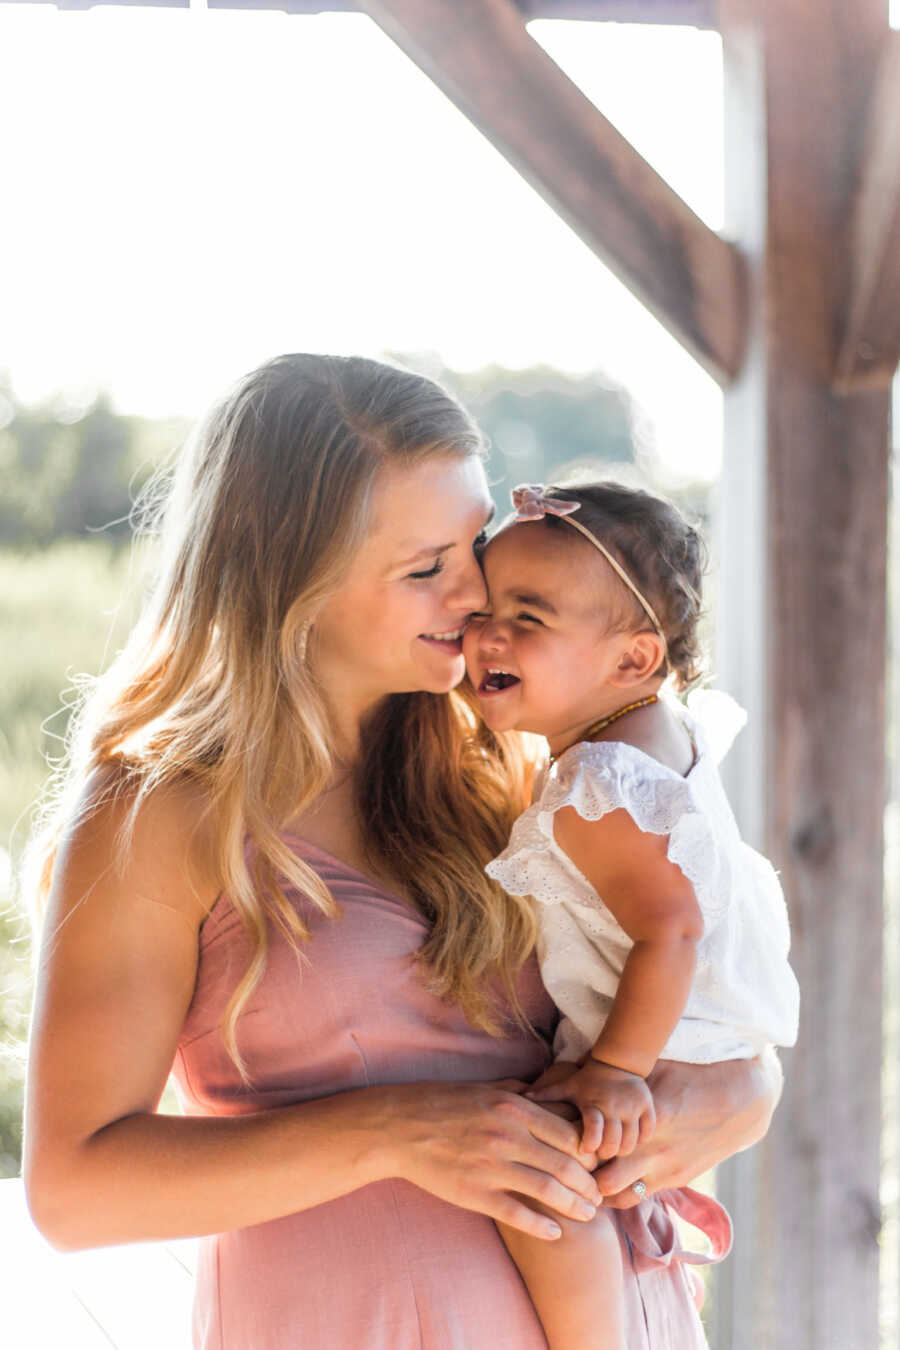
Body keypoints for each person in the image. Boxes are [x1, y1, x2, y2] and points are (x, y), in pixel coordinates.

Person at [23, 356, 782, 1350]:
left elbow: (712, 1001)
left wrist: (737, 1093)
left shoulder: (519, 771)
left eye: (475, 543)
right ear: (289, 586)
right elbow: (76, 1192)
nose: (475, 595)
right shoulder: (161, 810)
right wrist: (395, 1133)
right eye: (424, 568)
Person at [463, 480, 799, 1350]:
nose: (487, 635)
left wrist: (616, 1069)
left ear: (634, 659)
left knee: (543, 1181)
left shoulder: (599, 788)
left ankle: (593, 1338)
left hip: (665, 1031)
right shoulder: (652, 731)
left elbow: (670, 931)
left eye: (529, 619)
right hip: (705, 1022)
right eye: (484, 605)